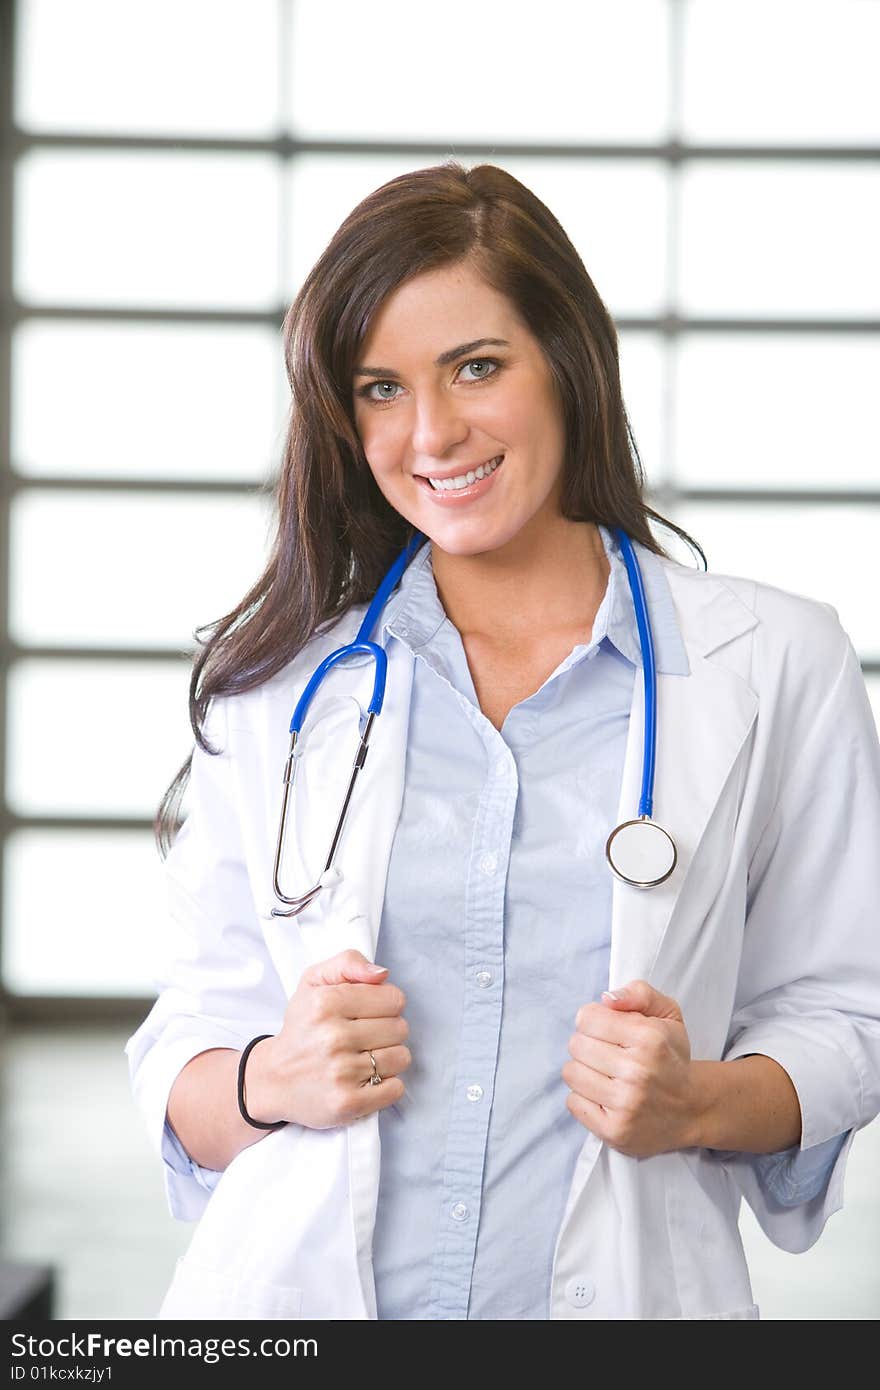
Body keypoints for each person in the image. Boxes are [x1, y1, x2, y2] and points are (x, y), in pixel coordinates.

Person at [125, 161, 880, 1321]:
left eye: (476, 366)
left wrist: (698, 1101)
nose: (430, 432)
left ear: (568, 365)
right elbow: (187, 1051)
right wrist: (273, 1078)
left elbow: (844, 1016)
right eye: (379, 387)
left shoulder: (777, 663)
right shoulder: (278, 688)